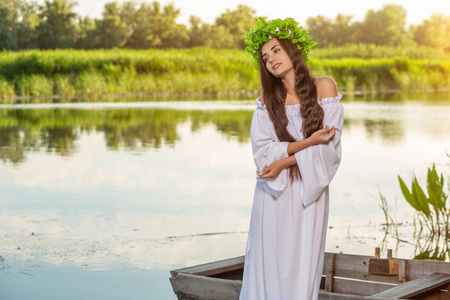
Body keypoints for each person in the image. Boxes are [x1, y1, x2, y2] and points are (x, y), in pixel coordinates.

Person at [239, 18, 344, 300]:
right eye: (264, 57)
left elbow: (328, 148)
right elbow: (262, 153)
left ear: (293, 50)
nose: (270, 59)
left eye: (275, 51)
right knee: (267, 262)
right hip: (272, 194)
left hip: (308, 191)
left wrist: (284, 160)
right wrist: (308, 142)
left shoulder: (325, 87)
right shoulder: (266, 100)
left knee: (302, 263)